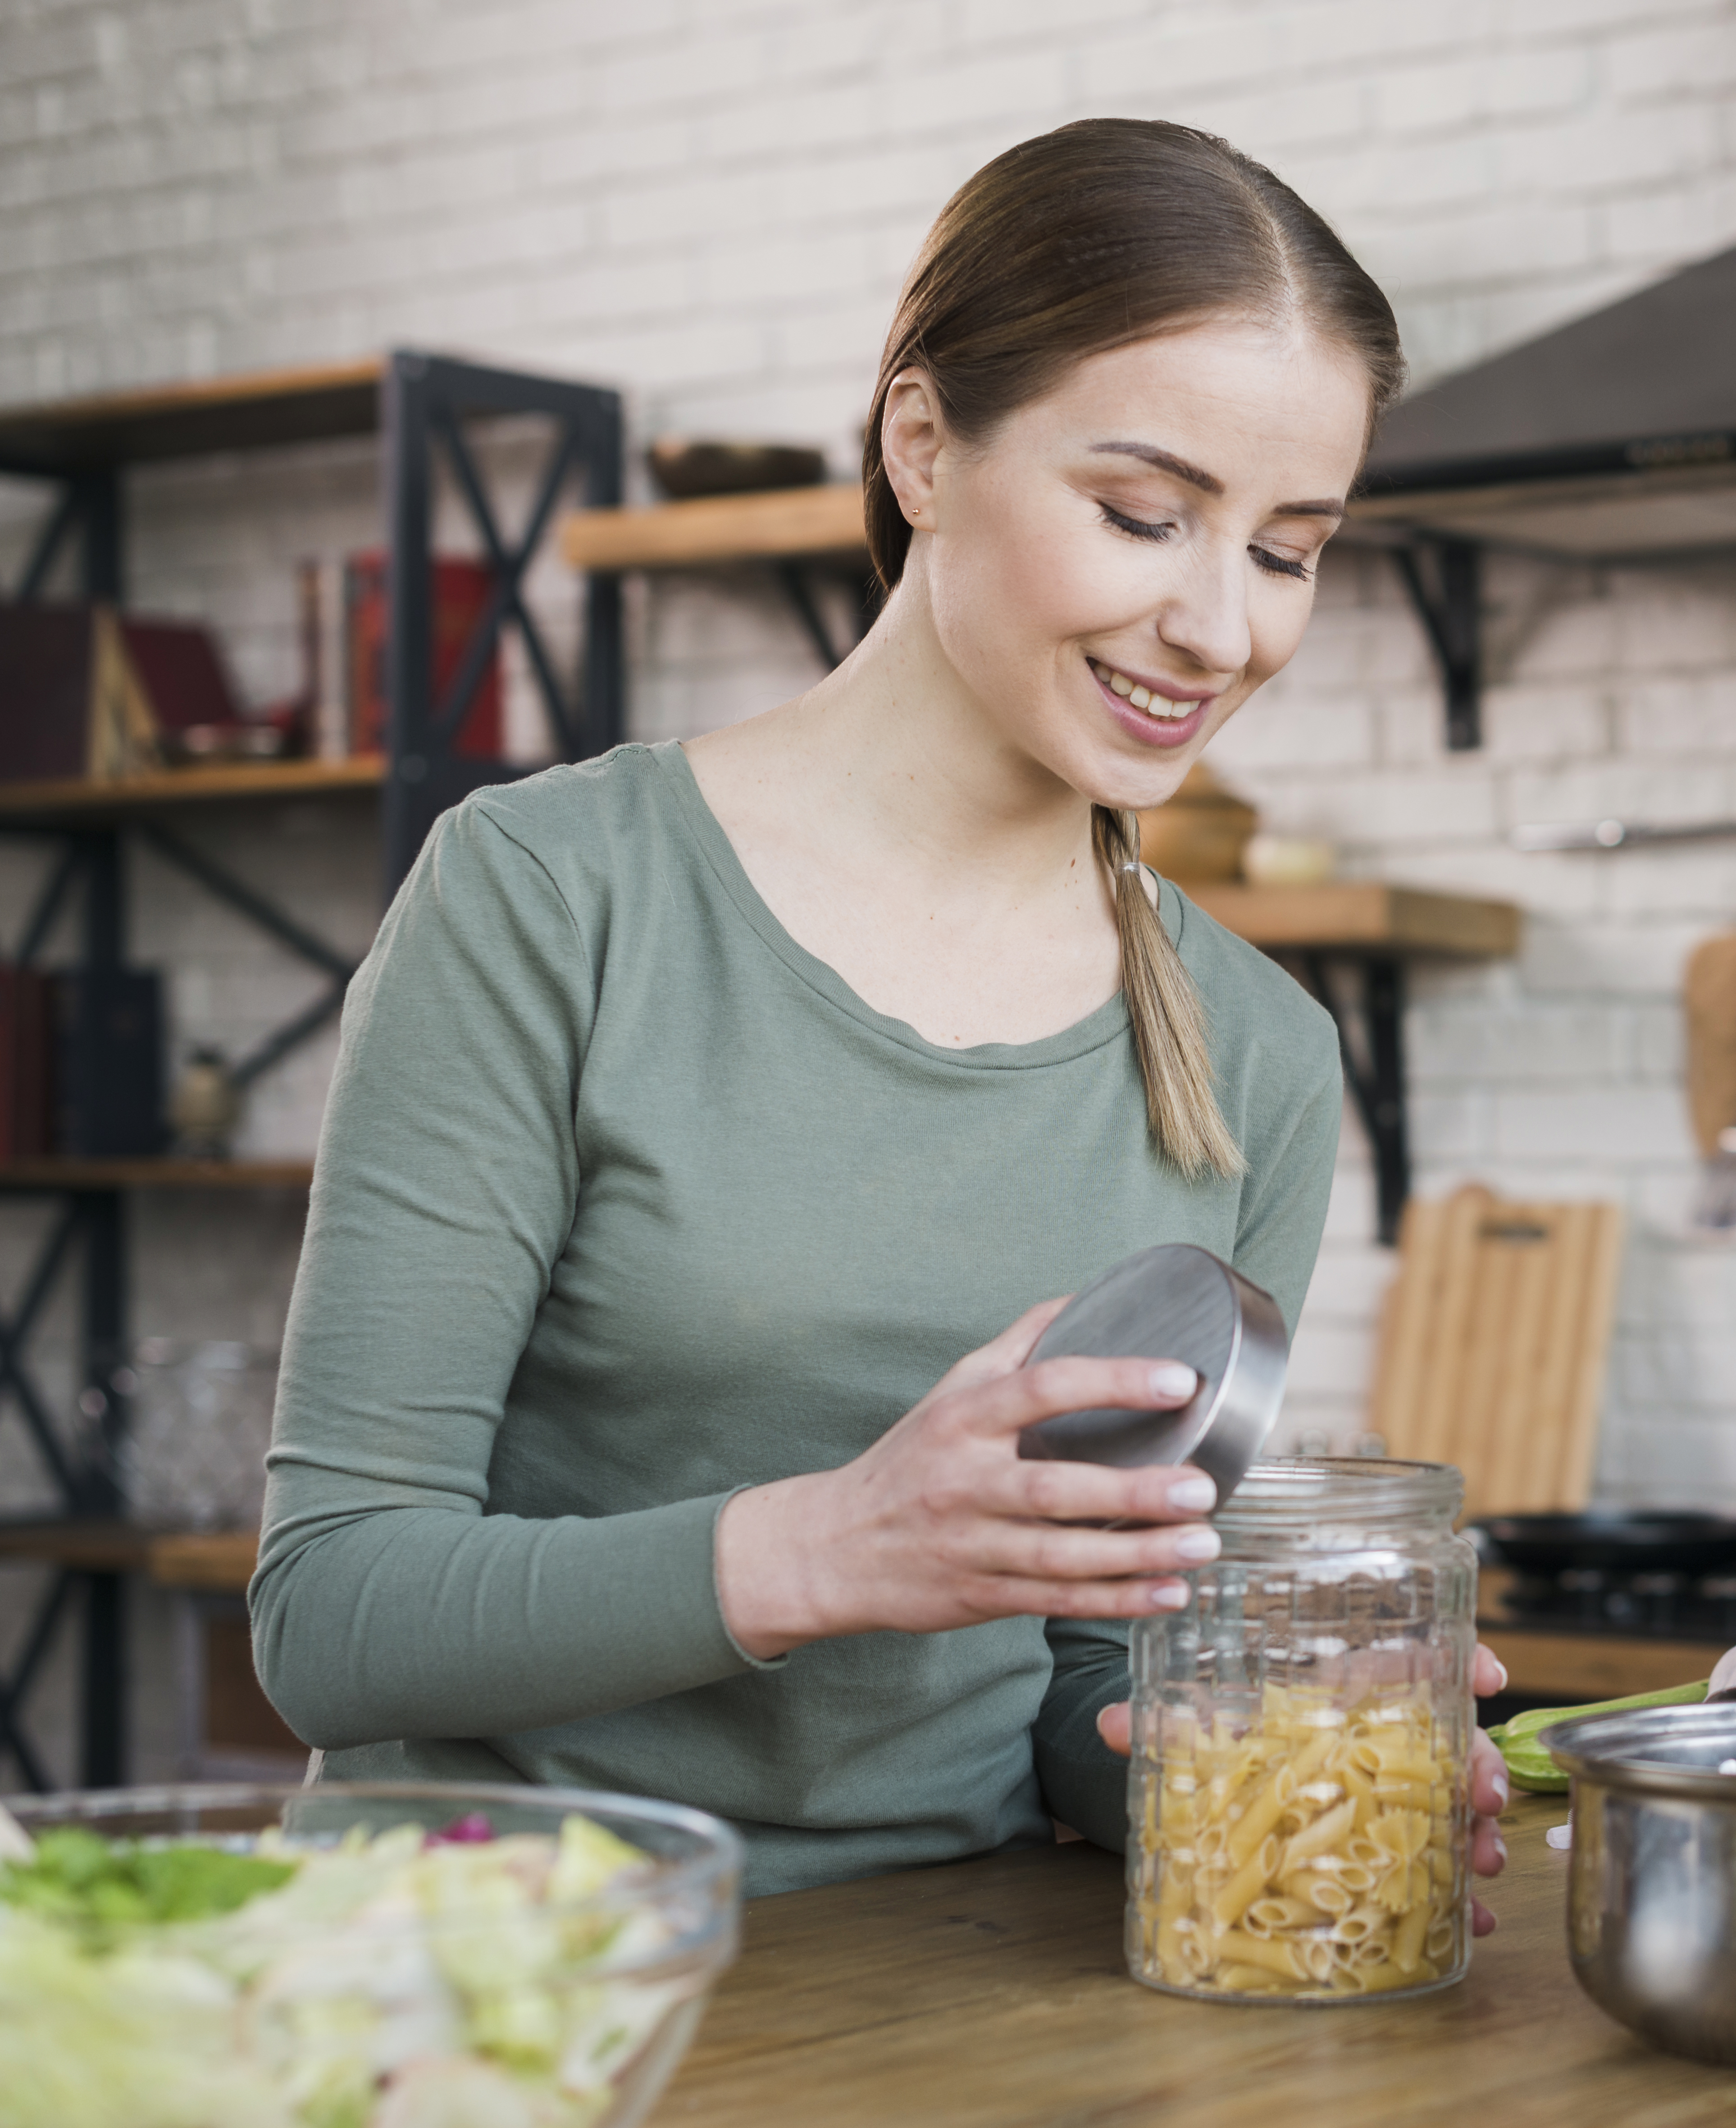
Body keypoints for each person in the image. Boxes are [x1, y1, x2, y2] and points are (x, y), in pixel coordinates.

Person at [253, 118, 1513, 1905]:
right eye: (1142, 516)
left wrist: (1264, 1764)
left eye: (1289, 549)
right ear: (920, 445)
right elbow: (332, 1613)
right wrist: (834, 1543)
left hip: (932, 1993)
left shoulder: (1256, 1053)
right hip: (498, 1964)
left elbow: (1085, 1671)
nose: (1220, 628)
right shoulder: (553, 898)